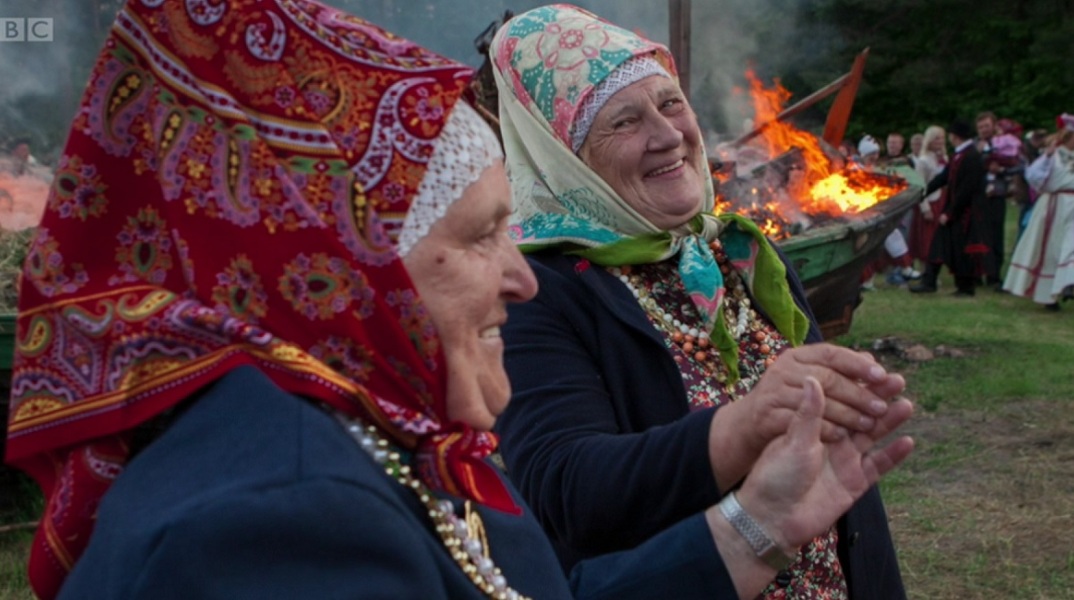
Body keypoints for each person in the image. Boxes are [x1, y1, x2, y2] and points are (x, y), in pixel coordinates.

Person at [3, 2, 915, 600]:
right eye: (483, 237)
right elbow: (564, 496)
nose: (518, 275)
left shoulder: (380, 440)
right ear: (349, 261)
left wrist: (765, 527)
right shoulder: (273, 520)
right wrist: (743, 440)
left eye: (668, 104)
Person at [491, 6, 909, 598]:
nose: (668, 137)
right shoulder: (535, 290)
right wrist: (746, 423)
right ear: (565, 156)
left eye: (670, 103)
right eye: (624, 121)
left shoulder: (740, 255)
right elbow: (568, 491)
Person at [1002, 114, 1074, 310]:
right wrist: (1048, 157)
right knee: (1051, 249)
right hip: (1055, 205)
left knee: (1071, 245)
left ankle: (1069, 283)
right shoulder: (1053, 155)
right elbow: (1033, 176)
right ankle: (1048, 295)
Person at [910, 120, 988, 296]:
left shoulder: (971, 157)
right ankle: (929, 281)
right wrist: (921, 192)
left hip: (964, 213)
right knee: (938, 245)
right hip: (956, 211)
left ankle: (966, 287)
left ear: (955, 136)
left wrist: (950, 212)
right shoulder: (960, 155)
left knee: (961, 250)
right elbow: (943, 178)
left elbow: (966, 190)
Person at [909, 125, 948, 267]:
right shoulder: (923, 160)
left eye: (942, 138)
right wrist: (925, 208)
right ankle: (926, 267)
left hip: (942, 199)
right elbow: (920, 186)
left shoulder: (944, 157)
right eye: (937, 138)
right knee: (928, 238)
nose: (940, 141)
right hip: (930, 201)